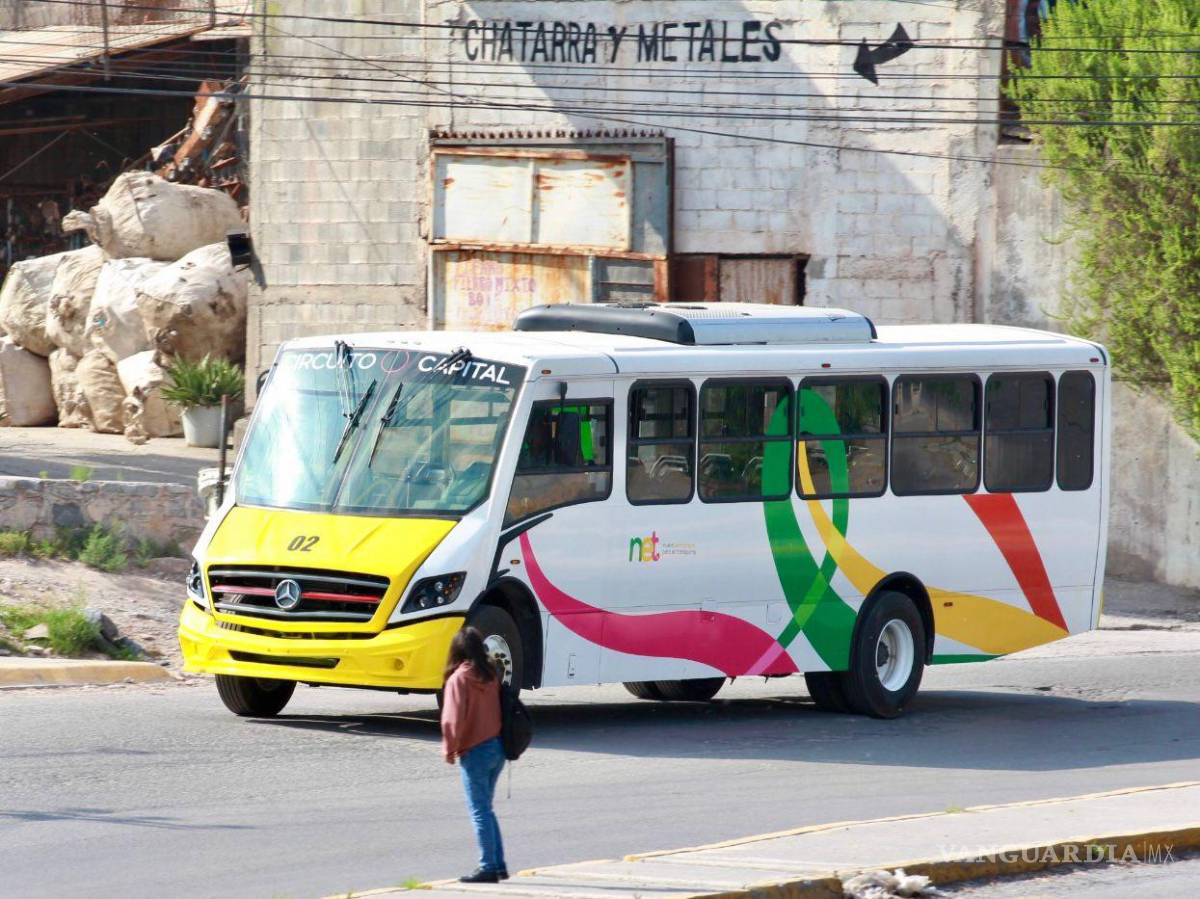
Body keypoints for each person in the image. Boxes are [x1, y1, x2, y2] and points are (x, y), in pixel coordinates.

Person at [441, 627, 508, 883]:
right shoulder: (491, 675)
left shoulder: (459, 679)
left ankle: (488, 866)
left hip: (475, 751)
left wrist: (449, 749)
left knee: (479, 810)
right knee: (487, 809)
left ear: (456, 649)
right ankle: (498, 864)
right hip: (497, 748)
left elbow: (451, 720)